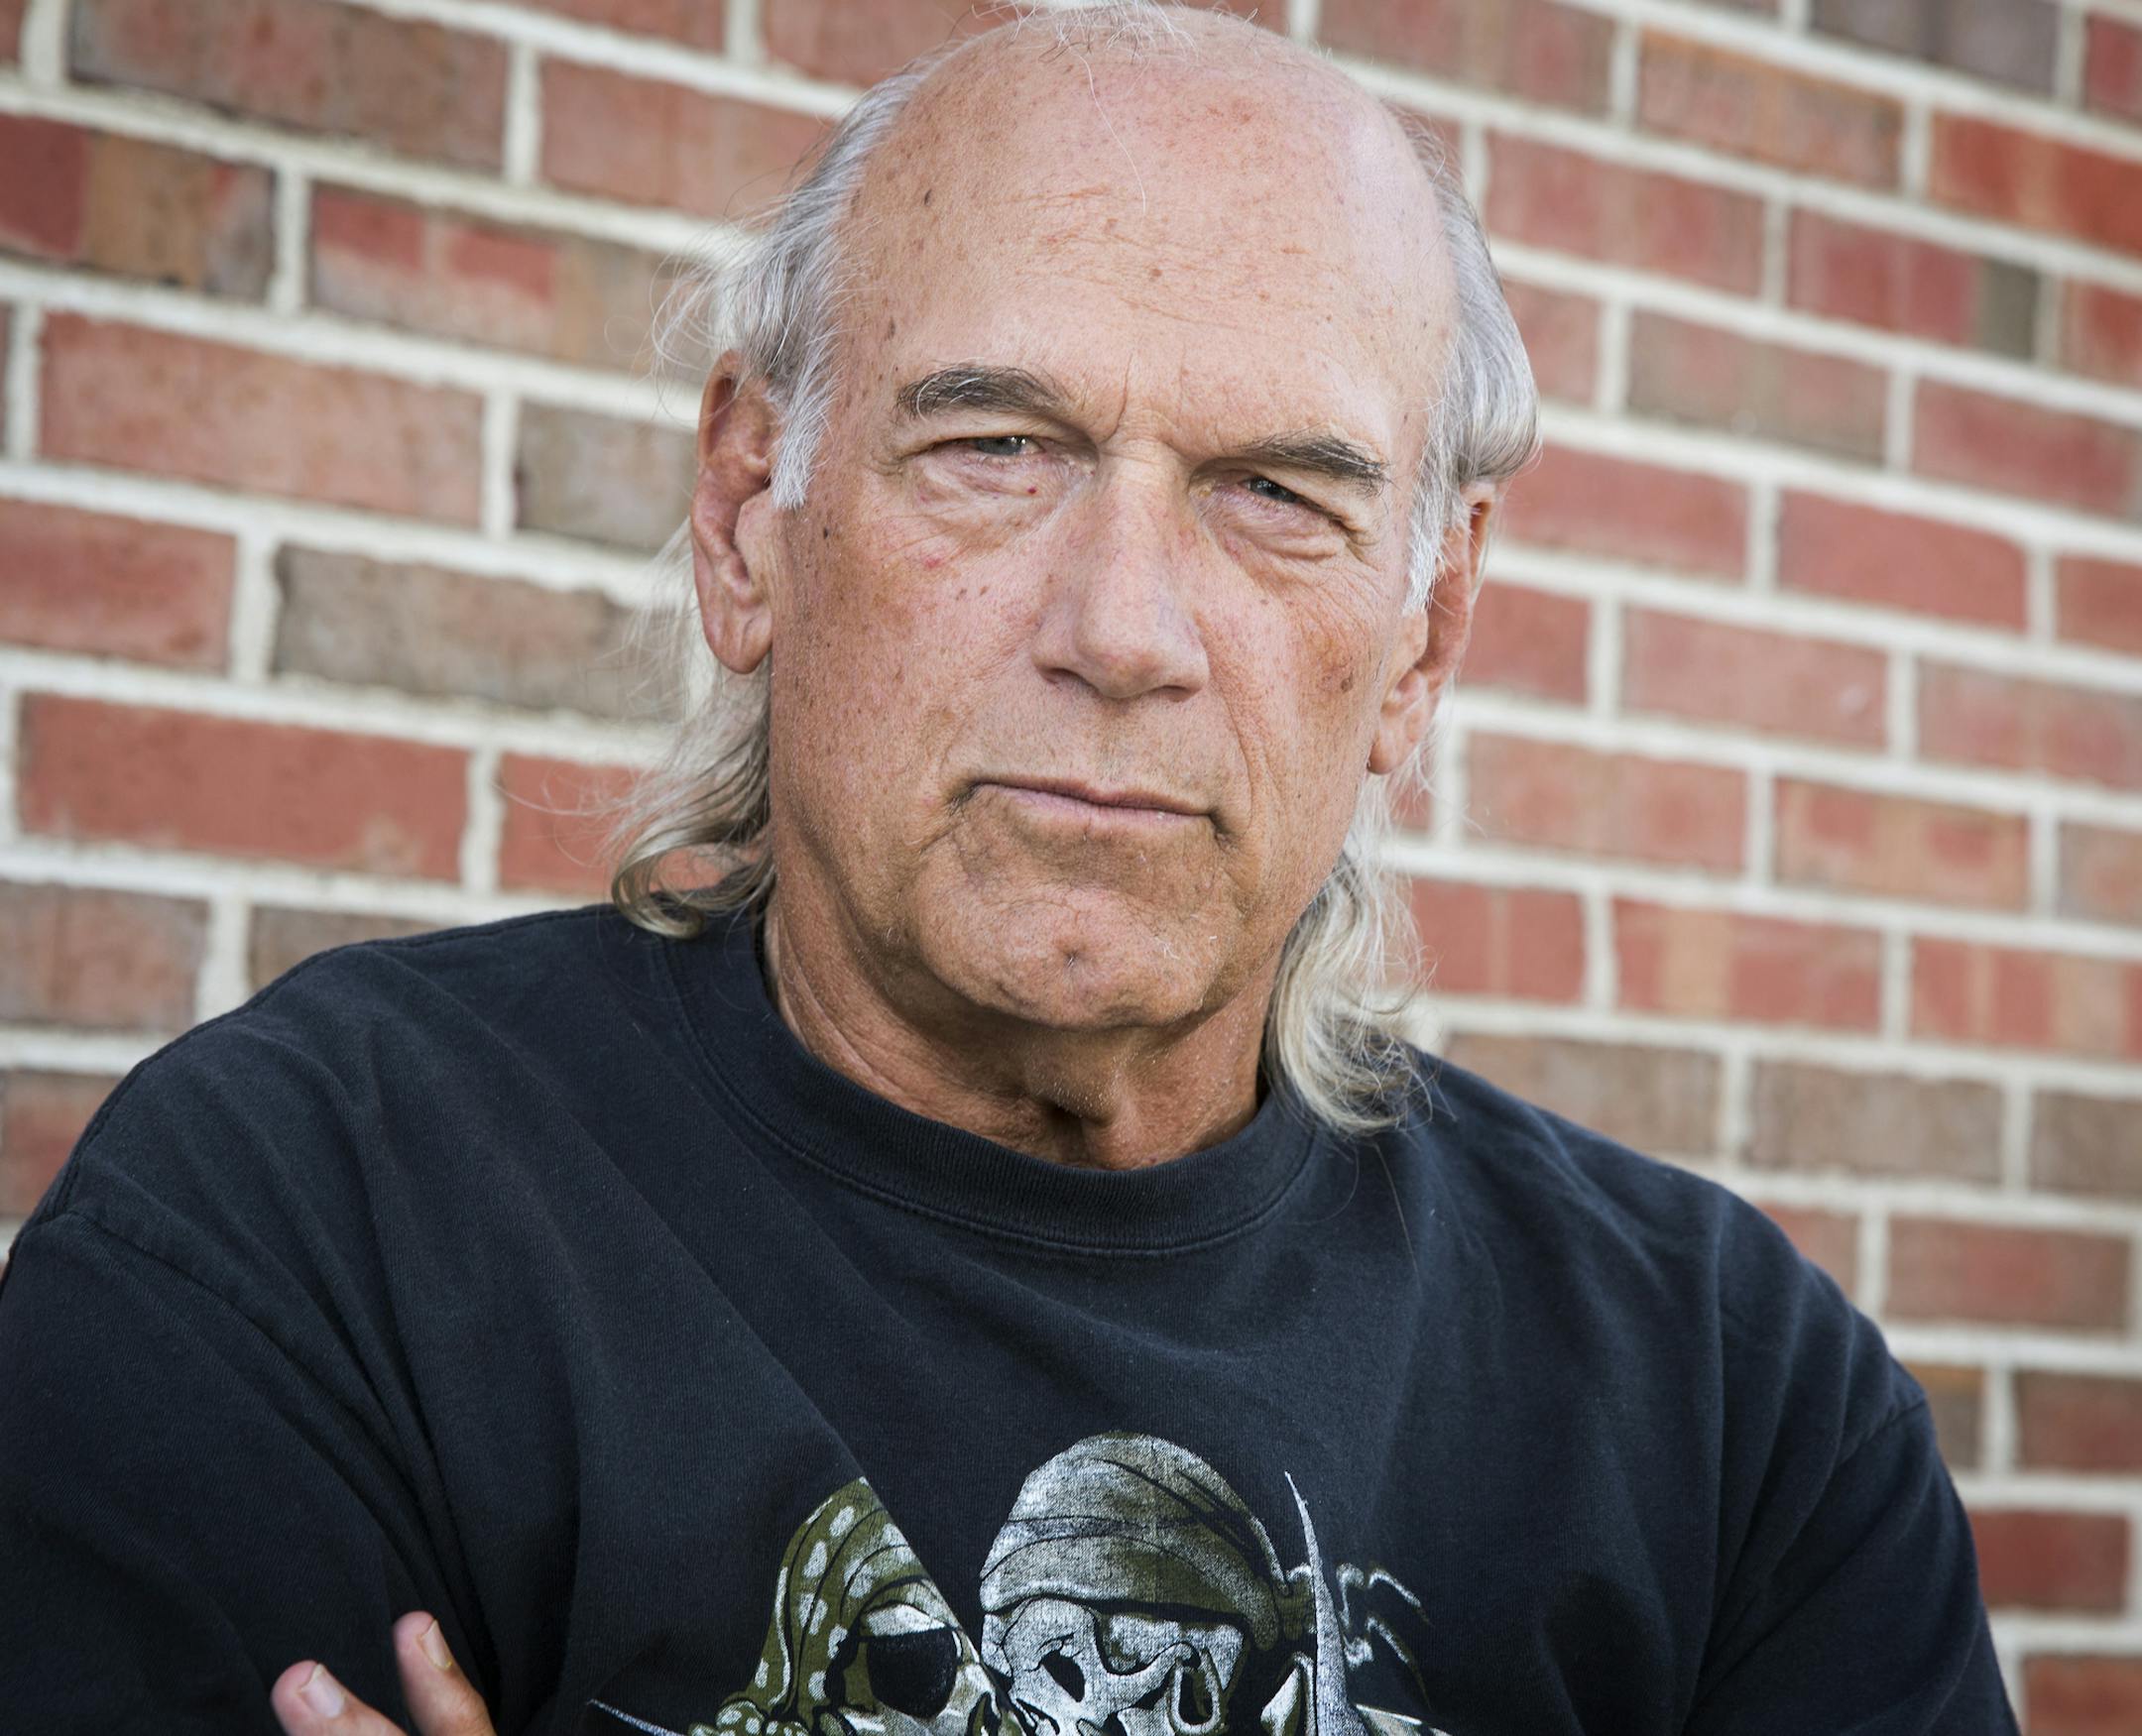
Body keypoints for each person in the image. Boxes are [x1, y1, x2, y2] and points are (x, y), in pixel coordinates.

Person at [0, 5, 2015, 1733]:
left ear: (1423, 634)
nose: (1123, 627)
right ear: (744, 520)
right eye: (998, 449)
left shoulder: (1737, 1408)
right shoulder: (312, 1223)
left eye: (1276, 495)